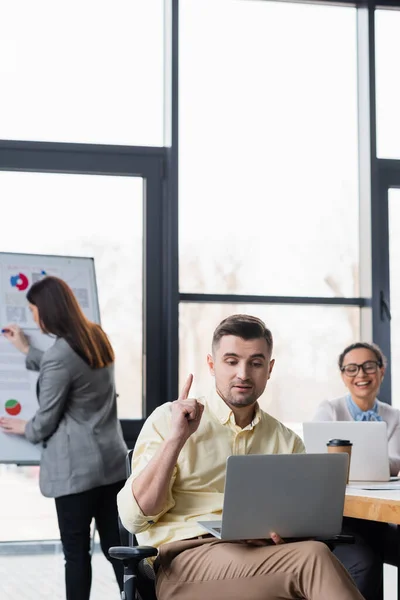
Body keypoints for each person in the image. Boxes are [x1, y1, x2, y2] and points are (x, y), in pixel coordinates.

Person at [117, 314, 365, 600]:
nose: (244, 374)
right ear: (212, 364)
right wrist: (177, 439)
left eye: (256, 363)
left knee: (314, 554)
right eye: (231, 361)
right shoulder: (170, 420)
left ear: (269, 369)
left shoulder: (286, 441)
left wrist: (283, 535)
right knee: (314, 559)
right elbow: (134, 519)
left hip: (262, 559)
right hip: (184, 562)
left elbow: (300, 524)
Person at [0, 276, 127, 600]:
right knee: (119, 550)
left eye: (33, 310)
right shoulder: (95, 337)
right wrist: (28, 350)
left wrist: (24, 428)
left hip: (77, 474)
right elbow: (74, 373)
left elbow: (45, 422)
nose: (32, 317)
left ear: (47, 310)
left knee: (76, 553)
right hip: (111, 466)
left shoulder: (61, 355)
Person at [313, 341, 400, 600]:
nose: (361, 374)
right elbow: (318, 460)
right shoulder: (329, 410)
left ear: (382, 371)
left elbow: (396, 461)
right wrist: (379, 462)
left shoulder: (394, 416)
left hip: (381, 518)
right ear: (343, 375)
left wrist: (348, 458)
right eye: (351, 368)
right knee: (365, 561)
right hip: (340, 520)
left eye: (369, 366)